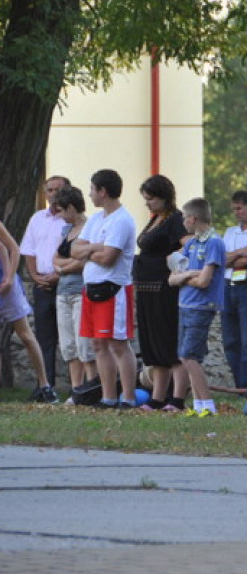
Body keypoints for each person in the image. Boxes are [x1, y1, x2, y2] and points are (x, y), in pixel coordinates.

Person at [71, 169, 138, 408]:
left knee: (118, 343)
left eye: (92, 189)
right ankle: (108, 397)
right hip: (92, 287)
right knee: (98, 343)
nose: (89, 194)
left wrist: (90, 251)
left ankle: (128, 397)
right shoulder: (97, 220)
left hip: (113, 288)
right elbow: (74, 250)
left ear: (103, 191)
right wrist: (94, 249)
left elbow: (109, 257)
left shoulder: (122, 220)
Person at [168, 198, 227, 417]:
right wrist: (190, 274)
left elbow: (204, 281)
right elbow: (172, 279)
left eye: (184, 218)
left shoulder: (214, 242)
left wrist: (186, 277)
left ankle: (208, 404)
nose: (183, 222)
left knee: (188, 356)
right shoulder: (191, 244)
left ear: (193, 218)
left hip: (202, 306)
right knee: (186, 355)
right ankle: (199, 404)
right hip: (184, 304)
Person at [134, 175, 187, 412]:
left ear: (164, 197)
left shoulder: (175, 220)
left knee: (169, 342)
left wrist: (175, 264)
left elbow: (189, 244)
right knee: (153, 345)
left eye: (151, 198)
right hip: (146, 289)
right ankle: (157, 397)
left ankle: (177, 398)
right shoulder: (156, 219)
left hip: (164, 289)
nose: (147, 203)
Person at [18, 175, 70, 388]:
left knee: (71, 339)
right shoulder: (37, 218)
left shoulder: (73, 220)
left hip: (65, 284)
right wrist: (35, 276)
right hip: (41, 286)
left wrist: (59, 275)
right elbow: (29, 251)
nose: (54, 195)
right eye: (50, 190)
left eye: (58, 190)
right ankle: (45, 386)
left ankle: (80, 387)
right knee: (44, 339)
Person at [0, 219, 53, 401]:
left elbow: (11, 248)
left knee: (26, 336)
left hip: (7, 284)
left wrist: (8, 278)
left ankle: (45, 385)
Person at [50, 186, 96, 392]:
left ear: (71, 207)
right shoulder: (66, 230)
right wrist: (65, 265)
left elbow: (84, 261)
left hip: (81, 291)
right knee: (68, 344)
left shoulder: (90, 227)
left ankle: (91, 388)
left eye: (60, 210)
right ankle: (77, 390)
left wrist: (62, 267)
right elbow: (55, 258)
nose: (59, 215)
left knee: (84, 343)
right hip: (63, 292)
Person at [221, 190, 247, 389]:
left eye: (239, 208)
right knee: (230, 340)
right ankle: (238, 385)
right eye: (234, 209)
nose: (236, 212)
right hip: (227, 285)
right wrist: (240, 253)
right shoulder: (230, 232)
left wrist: (235, 257)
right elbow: (222, 260)